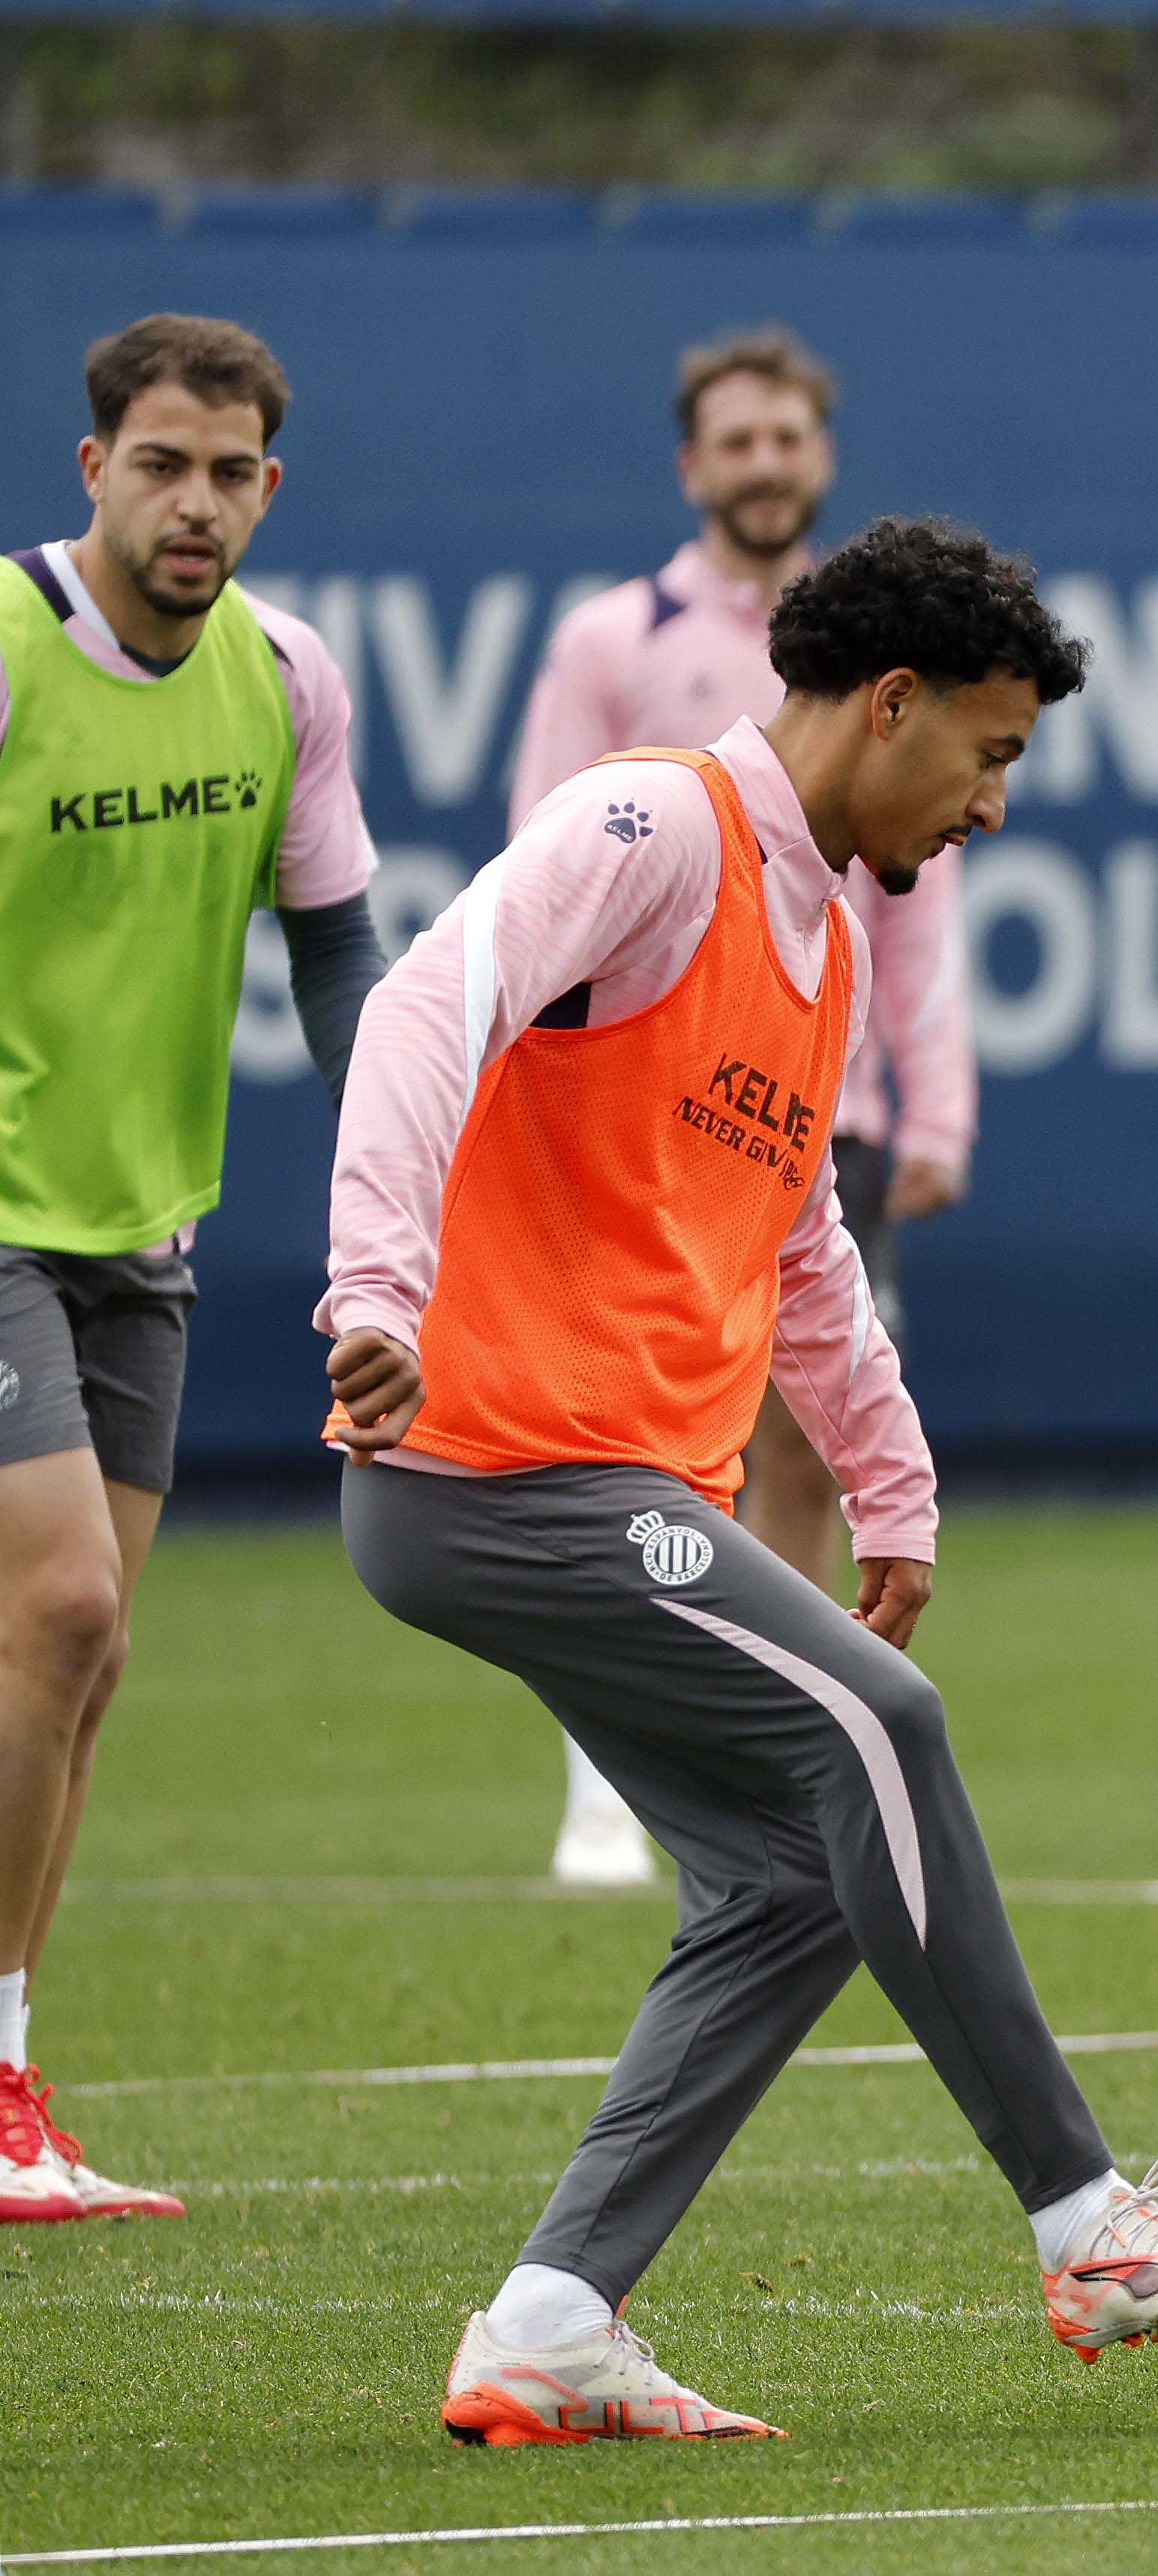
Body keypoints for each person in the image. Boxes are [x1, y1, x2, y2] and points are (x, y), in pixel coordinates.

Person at [322, 518, 1158, 2445]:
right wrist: (374, 1283)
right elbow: (434, 995)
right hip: (510, 1463)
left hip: (589, 1479)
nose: (996, 804)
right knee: (883, 1729)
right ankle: (1086, 2220)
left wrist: (892, 1485)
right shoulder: (655, 827)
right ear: (894, 702)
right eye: (991, 754)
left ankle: (549, 2317)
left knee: (787, 1881)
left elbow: (802, 1247)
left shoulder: (827, 925)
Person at [0, 314, 386, 2229]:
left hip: (141, 1231)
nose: (196, 505)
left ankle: (7, 2075)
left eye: (231, 475)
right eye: (162, 465)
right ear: (93, 473)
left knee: (81, 1662)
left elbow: (337, 968)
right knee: (60, 1610)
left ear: (269, 490)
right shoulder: (1, 651)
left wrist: (427, 1164)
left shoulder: (286, 681)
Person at [509, 326, 979, 1890]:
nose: (764, 462)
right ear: (691, 464)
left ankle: (758, 1727)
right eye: (737, 440)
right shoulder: (611, 640)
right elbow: (547, 875)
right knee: (634, 1430)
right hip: (634, 1099)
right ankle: (605, 1773)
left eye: (788, 437)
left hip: (806, 1105)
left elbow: (913, 904)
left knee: (795, 1433)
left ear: (819, 456)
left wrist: (938, 1099)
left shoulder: (878, 651)